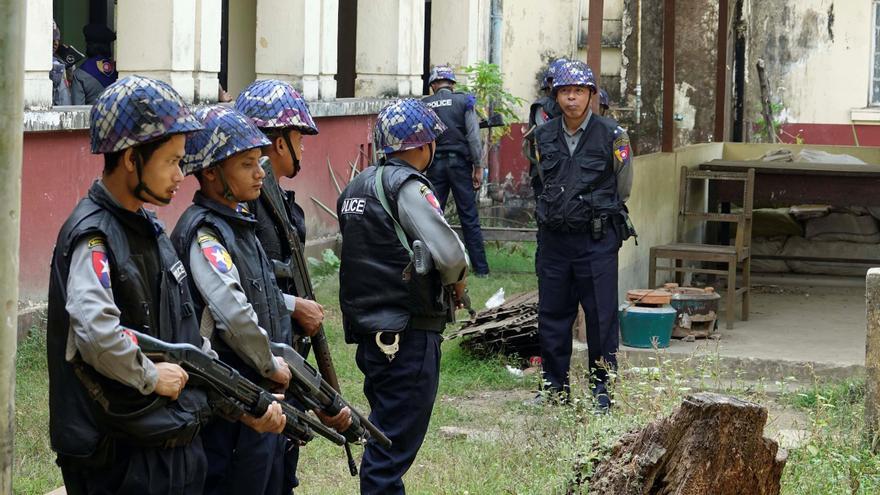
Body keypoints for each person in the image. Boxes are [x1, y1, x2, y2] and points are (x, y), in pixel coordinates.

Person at [46, 75, 285, 495]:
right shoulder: (94, 237)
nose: (181, 174)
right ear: (131, 159)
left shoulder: (150, 229)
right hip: (119, 458)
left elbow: (189, 343)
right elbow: (95, 330)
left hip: (165, 448)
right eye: (172, 161)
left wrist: (242, 404)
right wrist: (149, 375)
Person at [170, 105, 348, 494]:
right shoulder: (206, 233)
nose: (260, 172)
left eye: (260, 162)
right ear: (212, 172)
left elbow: (264, 294)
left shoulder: (240, 224)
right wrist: (271, 363)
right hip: (236, 408)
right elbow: (233, 313)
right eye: (247, 164)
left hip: (263, 399)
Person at [337, 98, 469, 494]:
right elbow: (449, 255)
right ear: (424, 145)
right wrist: (458, 284)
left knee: (385, 433)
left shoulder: (355, 187)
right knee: (388, 452)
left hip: (372, 335)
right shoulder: (408, 187)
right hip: (408, 335)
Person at [234, 79, 348, 494]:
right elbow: (240, 285)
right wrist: (291, 305)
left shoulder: (274, 199)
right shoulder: (245, 205)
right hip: (258, 365)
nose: (303, 147)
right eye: (299, 136)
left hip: (285, 359)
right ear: (280, 142)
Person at [530, 60, 636, 413]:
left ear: (591, 94)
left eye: (578, 91)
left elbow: (623, 187)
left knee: (601, 317)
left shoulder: (613, 136)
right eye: (564, 91)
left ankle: (602, 389)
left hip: (596, 240)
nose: (571, 98)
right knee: (552, 314)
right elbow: (539, 184)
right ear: (555, 96)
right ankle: (554, 386)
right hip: (555, 242)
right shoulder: (541, 137)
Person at [422, 65, 489, 277]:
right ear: (452, 84)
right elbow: (473, 137)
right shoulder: (464, 101)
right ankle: (481, 270)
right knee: (468, 216)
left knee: (432, 218)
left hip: (434, 167)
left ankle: (431, 267)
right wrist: (478, 166)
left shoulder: (425, 104)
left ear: (433, 85)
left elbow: (421, 138)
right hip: (460, 165)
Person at [523, 57, 567, 197]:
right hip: (546, 171)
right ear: (549, 84)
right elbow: (546, 137)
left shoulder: (572, 105)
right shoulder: (542, 107)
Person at [71, 23, 118, 105]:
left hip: (93, 117)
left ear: (89, 45)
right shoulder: (118, 70)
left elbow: (78, 108)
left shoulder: (79, 74)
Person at [51, 20, 72, 105]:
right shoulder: (56, 66)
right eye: (52, 39)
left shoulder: (59, 62)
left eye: (57, 39)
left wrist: (69, 66)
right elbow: (64, 103)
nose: (55, 43)